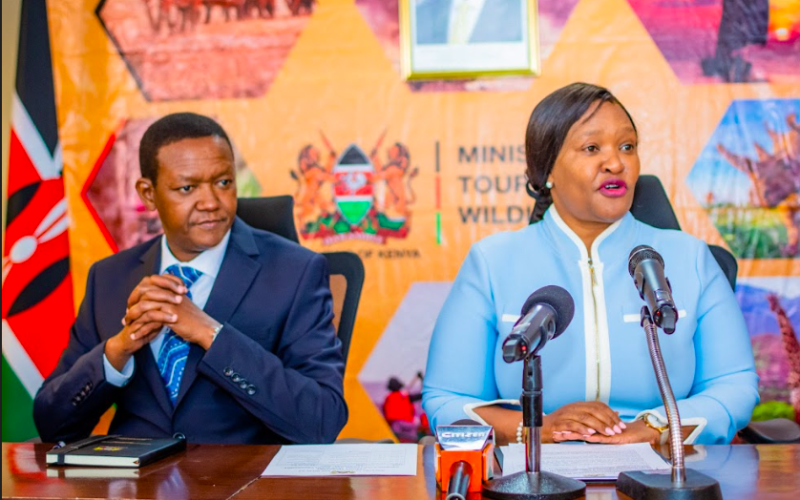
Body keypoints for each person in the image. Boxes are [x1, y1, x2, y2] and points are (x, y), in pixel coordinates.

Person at [422, 83, 758, 446]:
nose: (616, 163)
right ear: (546, 170)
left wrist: (654, 430)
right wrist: (538, 428)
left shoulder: (689, 258)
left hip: (664, 468)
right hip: (537, 472)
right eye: (592, 148)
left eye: (627, 147)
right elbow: (447, 400)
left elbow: (734, 385)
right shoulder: (492, 262)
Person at [34, 112, 347, 444]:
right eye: (187, 188)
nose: (211, 202)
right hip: (134, 490)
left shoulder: (295, 272)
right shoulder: (109, 278)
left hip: (242, 486)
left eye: (223, 182)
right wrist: (117, 351)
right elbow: (52, 424)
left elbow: (321, 420)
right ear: (148, 193)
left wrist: (210, 333)